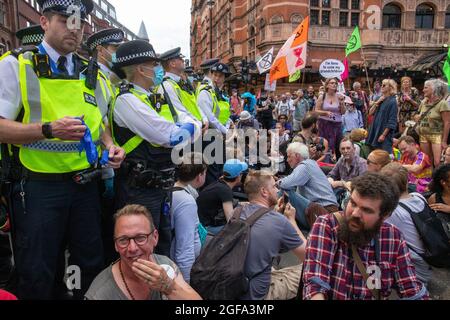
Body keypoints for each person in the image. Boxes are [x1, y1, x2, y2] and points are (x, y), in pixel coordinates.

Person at [0, 0, 126, 299]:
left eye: (81, 23)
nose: (76, 29)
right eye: (65, 19)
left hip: (84, 187)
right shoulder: (16, 64)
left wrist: (110, 146)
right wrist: (47, 129)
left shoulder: (90, 71)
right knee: (39, 270)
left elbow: (99, 124)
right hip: (37, 188)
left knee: (89, 265)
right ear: (43, 22)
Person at [110, 40, 199, 256]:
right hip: (139, 189)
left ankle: (161, 288)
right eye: (154, 64)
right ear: (141, 69)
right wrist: (188, 128)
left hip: (159, 185)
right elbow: (170, 135)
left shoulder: (152, 98)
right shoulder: (127, 100)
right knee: (143, 247)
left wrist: (188, 128)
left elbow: (190, 123)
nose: (159, 69)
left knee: (162, 241)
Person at [302, 173, 429, 300]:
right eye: (353, 203)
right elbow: (315, 283)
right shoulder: (328, 225)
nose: (355, 213)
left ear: (385, 215)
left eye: (367, 210)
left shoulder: (393, 238)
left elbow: (411, 289)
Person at [85, 205, 202, 300]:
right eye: (123, 240)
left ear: (155, 237)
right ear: (115, 245)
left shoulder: (164, 264)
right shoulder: (99, 294)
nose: (132, 248)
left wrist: (169, 287)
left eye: (140, 238)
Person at [230, 170, 307, 300]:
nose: (277, 190)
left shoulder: (237, 211)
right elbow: (309, 256)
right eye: (274, 186)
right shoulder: (279, 221)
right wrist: (291, 221)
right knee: (307, 272)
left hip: (234, 284)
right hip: (258, 294)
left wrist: (273, 213)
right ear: (264, 192)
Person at [381, 163, 433, 286]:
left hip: (415, 272)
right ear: (406, 182)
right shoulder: (418, 197)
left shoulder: (393, 212)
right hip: (428, 261)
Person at [170, 154, 207, 283]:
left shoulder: (176, 190)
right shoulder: (185, 201)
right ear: (199, 176)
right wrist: (185, 284)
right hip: (182, 271)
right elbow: (185, 248)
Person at [157, 47, 207, 130]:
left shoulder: (181, 82)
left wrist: (204, 119)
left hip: (196, 128)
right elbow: (180, 112)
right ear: (173, 63)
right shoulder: (167, 85)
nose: (183, 61)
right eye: (180, 58)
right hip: (189, 131)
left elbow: (194, 104)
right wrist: (199, 125)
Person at [279, 142, 338, 212]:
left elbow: (285, 184)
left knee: (285, 191)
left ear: (297, 156)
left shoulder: (304, 166)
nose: (287, 160)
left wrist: (275, 184)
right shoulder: (310, 163)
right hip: (325, 207)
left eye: (289, 156)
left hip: (325, 210)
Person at [197, 159, 247, 235]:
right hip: (206, 228)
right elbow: (230, 220)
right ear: (238, 176)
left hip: (201, 221)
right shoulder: (225, 191)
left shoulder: (219, 183)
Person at [416, 79, 450, 168]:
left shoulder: (443, 103)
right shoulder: (423, 103)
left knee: (437, 162)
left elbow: (447, 122)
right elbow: (417, 116)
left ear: (434, 89)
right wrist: (416, 117)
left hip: (437, 135)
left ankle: (438, 180)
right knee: (426, 161)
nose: (423, 90)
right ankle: (428, 180)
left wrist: (444, 141)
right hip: (423, 134)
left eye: (426, 88)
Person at [196, 62, 231, 135]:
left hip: (220, 132)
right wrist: (226, 131)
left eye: (220, 76)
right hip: (209, 133)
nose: (217, 78)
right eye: (215, 75)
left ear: (225, 78)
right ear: (211, 75)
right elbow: (211, 118)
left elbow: (224, 114)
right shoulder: (205, 92)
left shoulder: (221, 93)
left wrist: (229, 123)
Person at [315, 78, 346, 157]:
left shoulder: (339, 96)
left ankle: (338, 163)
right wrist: (325, 112)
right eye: (332, 83)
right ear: (327, 85)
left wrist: (342, 103)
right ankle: (324, 163)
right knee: (324, 146)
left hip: (337, 125)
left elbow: (343, 112)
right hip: (324, 124)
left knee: (337, 145)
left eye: (335, 83)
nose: (334, 84)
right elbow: (316, 111)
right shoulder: (322, 96)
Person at [367, 79, 398, 154]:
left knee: (384, 155)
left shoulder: (393, 101)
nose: (382, 87)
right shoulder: (379, 99)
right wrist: (377, 102)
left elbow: (392, 121)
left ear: (390, 88)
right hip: (375, 130)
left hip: (383, 133)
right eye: (381, 85)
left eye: (384, 85)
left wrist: (383, 135)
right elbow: (370, 113)